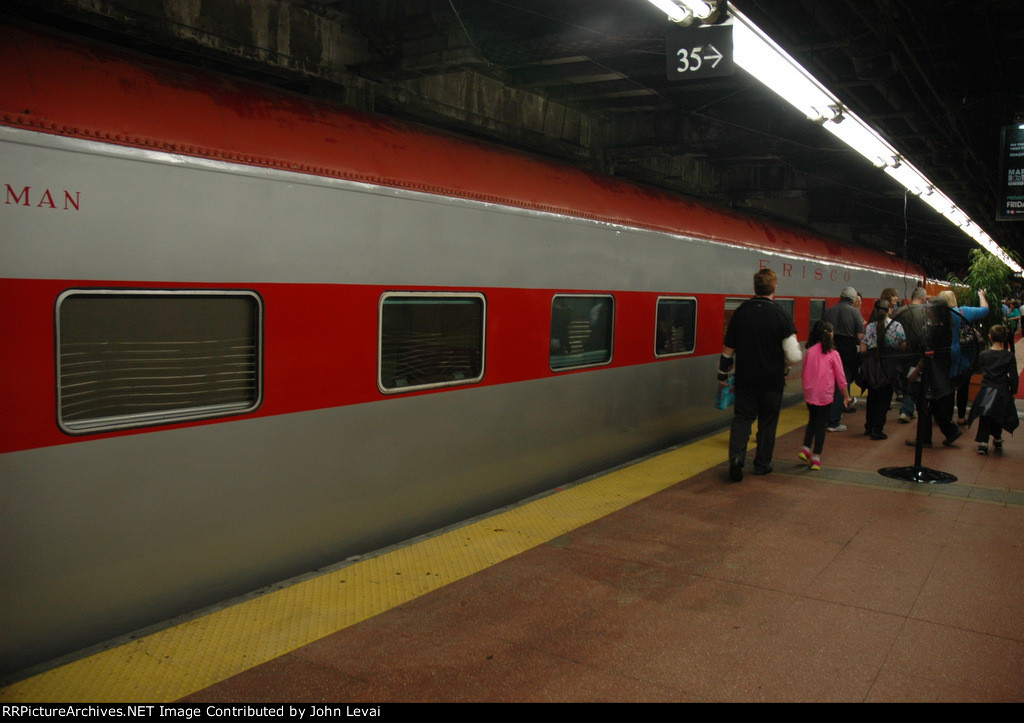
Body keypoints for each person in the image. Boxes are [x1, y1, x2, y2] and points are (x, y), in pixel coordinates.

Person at [718, 268, 802, 482]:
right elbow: (793, 355)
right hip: (772, 382)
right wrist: (785, 368)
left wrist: (722, 374)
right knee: (767, 422)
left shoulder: (741, 312)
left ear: (755, 287)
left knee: (742, 419)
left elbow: (728, 349)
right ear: (774, 288)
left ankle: (736, 459)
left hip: (745, 380)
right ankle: (762, 465)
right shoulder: (781, 314)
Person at [799, 322, 852, 470]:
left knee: (812, 420)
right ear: (830, 334)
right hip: (825, 395)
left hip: (810, 394)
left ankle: (805, 448)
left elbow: (804, 373)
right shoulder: (833, 354)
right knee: (821, 426)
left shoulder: (809, 351)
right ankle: (816, 457)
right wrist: (846, 397)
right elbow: (841, 378)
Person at [938, 289, 989, 426]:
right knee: (963, 386)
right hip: (963, 357)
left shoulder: (937, 314)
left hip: (943, 356)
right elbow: (985, 310)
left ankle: (946, 418)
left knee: (946, 387)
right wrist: (981, 295)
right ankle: (961, 417)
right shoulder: (962, 312)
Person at [967, 325, 1019, 454]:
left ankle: (983, 443)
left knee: (985, 415)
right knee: (998, 414)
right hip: (1002, 389)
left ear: (990, 337)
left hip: (986, 389)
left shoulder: (984, 355)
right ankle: (997, 438)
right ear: (1004, 339)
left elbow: (977, 369)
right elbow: (1014, 376)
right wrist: (1013, 391)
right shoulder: (1009, 356)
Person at [859, 298, 905, 439]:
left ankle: (869, 426)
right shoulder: (896, 326)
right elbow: (903, 346)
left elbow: (863, 349)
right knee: (884, 399)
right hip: (888, 366)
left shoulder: (870, 327)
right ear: (889, 310)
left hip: (872, 366)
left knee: (872, 397)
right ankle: (877, 429)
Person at [821, 286, 863, 432]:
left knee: (829, 384)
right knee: (841, 384)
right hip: (847, 351)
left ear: (841, 296)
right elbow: (859, 336)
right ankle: (834, 421)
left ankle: (827, 416)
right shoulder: (855, 312)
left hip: (830, 348)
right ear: (852, 299)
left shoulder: (829, 311)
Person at [894, 286, 929, 422]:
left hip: (902, 352)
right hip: (918, 352)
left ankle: (907, 408)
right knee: (913, 380)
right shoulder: (925, 312)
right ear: (923, 298)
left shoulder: (901, 311)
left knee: (905, 379)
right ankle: (908, 409)